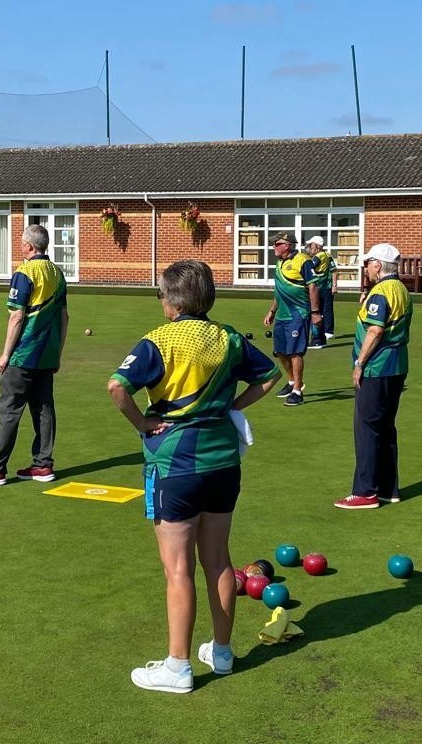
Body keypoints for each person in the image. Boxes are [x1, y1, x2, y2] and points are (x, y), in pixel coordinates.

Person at [108, 259, 280, 693]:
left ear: (171, 300)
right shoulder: (228, 338)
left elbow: (116, 387)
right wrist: (232, 407)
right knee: (219, 559)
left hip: (175, 466)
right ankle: (221, 653)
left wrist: (144, 426)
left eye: (161, 295)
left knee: (178, 569)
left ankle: (178, 667)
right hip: (223, 461)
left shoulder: (157, 340)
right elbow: (271, 375)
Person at [0, 224, 69, 487]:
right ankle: (43, 465)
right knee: (43, 409)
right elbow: (65, 317)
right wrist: (58, 355)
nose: (20, 247)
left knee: (9, 410)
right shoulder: (57, 272)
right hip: (47, 355)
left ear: (29, 246)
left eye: (21, 243)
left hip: (23, 355)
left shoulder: (24, 273)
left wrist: (5, 355)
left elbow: (17, 316)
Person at [335, 243, 413, 510]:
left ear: (378, 265)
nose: (366, 268)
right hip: (397, 365)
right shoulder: (401, 289)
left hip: (377, 368)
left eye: (368, 263)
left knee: (367, 428)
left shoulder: (380, 292)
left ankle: (365, 491)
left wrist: (359, 363)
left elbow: (375, 331)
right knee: (386, 427)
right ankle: (388, 488)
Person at [262, 232, 320, 406]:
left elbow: (313, 286)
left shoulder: (303, 260)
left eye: (277, 244)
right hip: (282, 315)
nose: (274, 247)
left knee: (295, 352)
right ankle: (292, 381)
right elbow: (279, 290)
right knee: (280, 351)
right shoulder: (279, 263)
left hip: (298, 314)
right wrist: (272, 311)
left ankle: (297, 391)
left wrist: (315, 312)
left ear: (287, 245)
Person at [303, 235, 337, 347]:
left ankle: (317, 339)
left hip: (318, 287)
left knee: (315, 310)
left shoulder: (318, 256)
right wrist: (334, 285)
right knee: (326, 310)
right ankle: (327, 332)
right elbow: (334, 270)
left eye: (311, 245)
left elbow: (309, 268)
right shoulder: (327, 254)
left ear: (316, 245)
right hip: (327, 286)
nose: (309, 247)